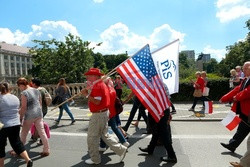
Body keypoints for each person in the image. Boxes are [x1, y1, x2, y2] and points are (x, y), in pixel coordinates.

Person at [81, 68, 127, 165]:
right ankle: (121, 149)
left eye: (89, 75)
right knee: (105, 135)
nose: (87, 76)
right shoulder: (100, 84)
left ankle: (95, 159)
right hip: (103, 113)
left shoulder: (98, 85)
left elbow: (97, 101)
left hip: (98, 114)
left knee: (92, 137)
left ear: (95, 76)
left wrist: (86, 95)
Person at [219, 61, 250, 153]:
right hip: (245, 111)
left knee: (242, 129)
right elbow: (237, 89)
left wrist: (237, 97)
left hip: (248, 111)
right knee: (242, 129)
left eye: (245, 68)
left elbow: (247, 91)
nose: (243, 70)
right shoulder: (245, 79)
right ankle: (232, 145)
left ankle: (232, 145)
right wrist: (224, 98)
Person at [0, 82, 33, 167]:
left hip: (3, 126)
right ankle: (28, 159)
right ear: (9, 89)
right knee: (17, 143)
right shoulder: (15, 97)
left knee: (1, 146)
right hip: (15, 124)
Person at [17, 78, 50, 157]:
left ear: (22, 85)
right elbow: (40, 103)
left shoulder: (24, 93)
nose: (19, 88)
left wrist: (21, 118)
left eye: (19, 86)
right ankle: (46, 150)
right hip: (38, 114)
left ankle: (20, 151)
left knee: (24, 133)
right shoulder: (36, 90)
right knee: (42, 132)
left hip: (29, 115)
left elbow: (24, 107)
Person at [99, 77, 129, 151]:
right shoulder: (112, 90)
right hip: (112, 112)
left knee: (104, 129)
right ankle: (103, 146)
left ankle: (104, 146)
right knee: (112, 128)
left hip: (107, 112)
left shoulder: (106, 91)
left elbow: (102, 103)